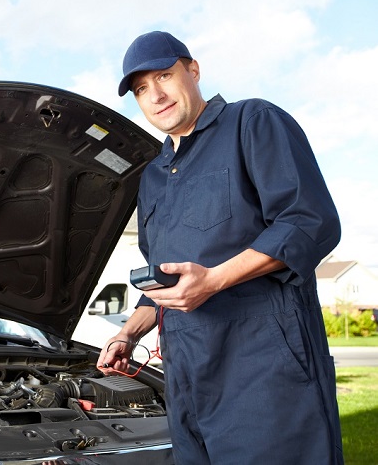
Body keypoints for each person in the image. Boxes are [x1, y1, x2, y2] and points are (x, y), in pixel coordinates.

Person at [97, 31, 344, 464]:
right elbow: (166, 280)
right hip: (187, 380)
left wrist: (214, 280)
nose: (154, 95)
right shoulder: (153, 177)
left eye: (164, 76)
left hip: (265, 375)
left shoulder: (253, 122)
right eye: (140, 89)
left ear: (193, 71)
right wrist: (128, 331)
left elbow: (309, 221)